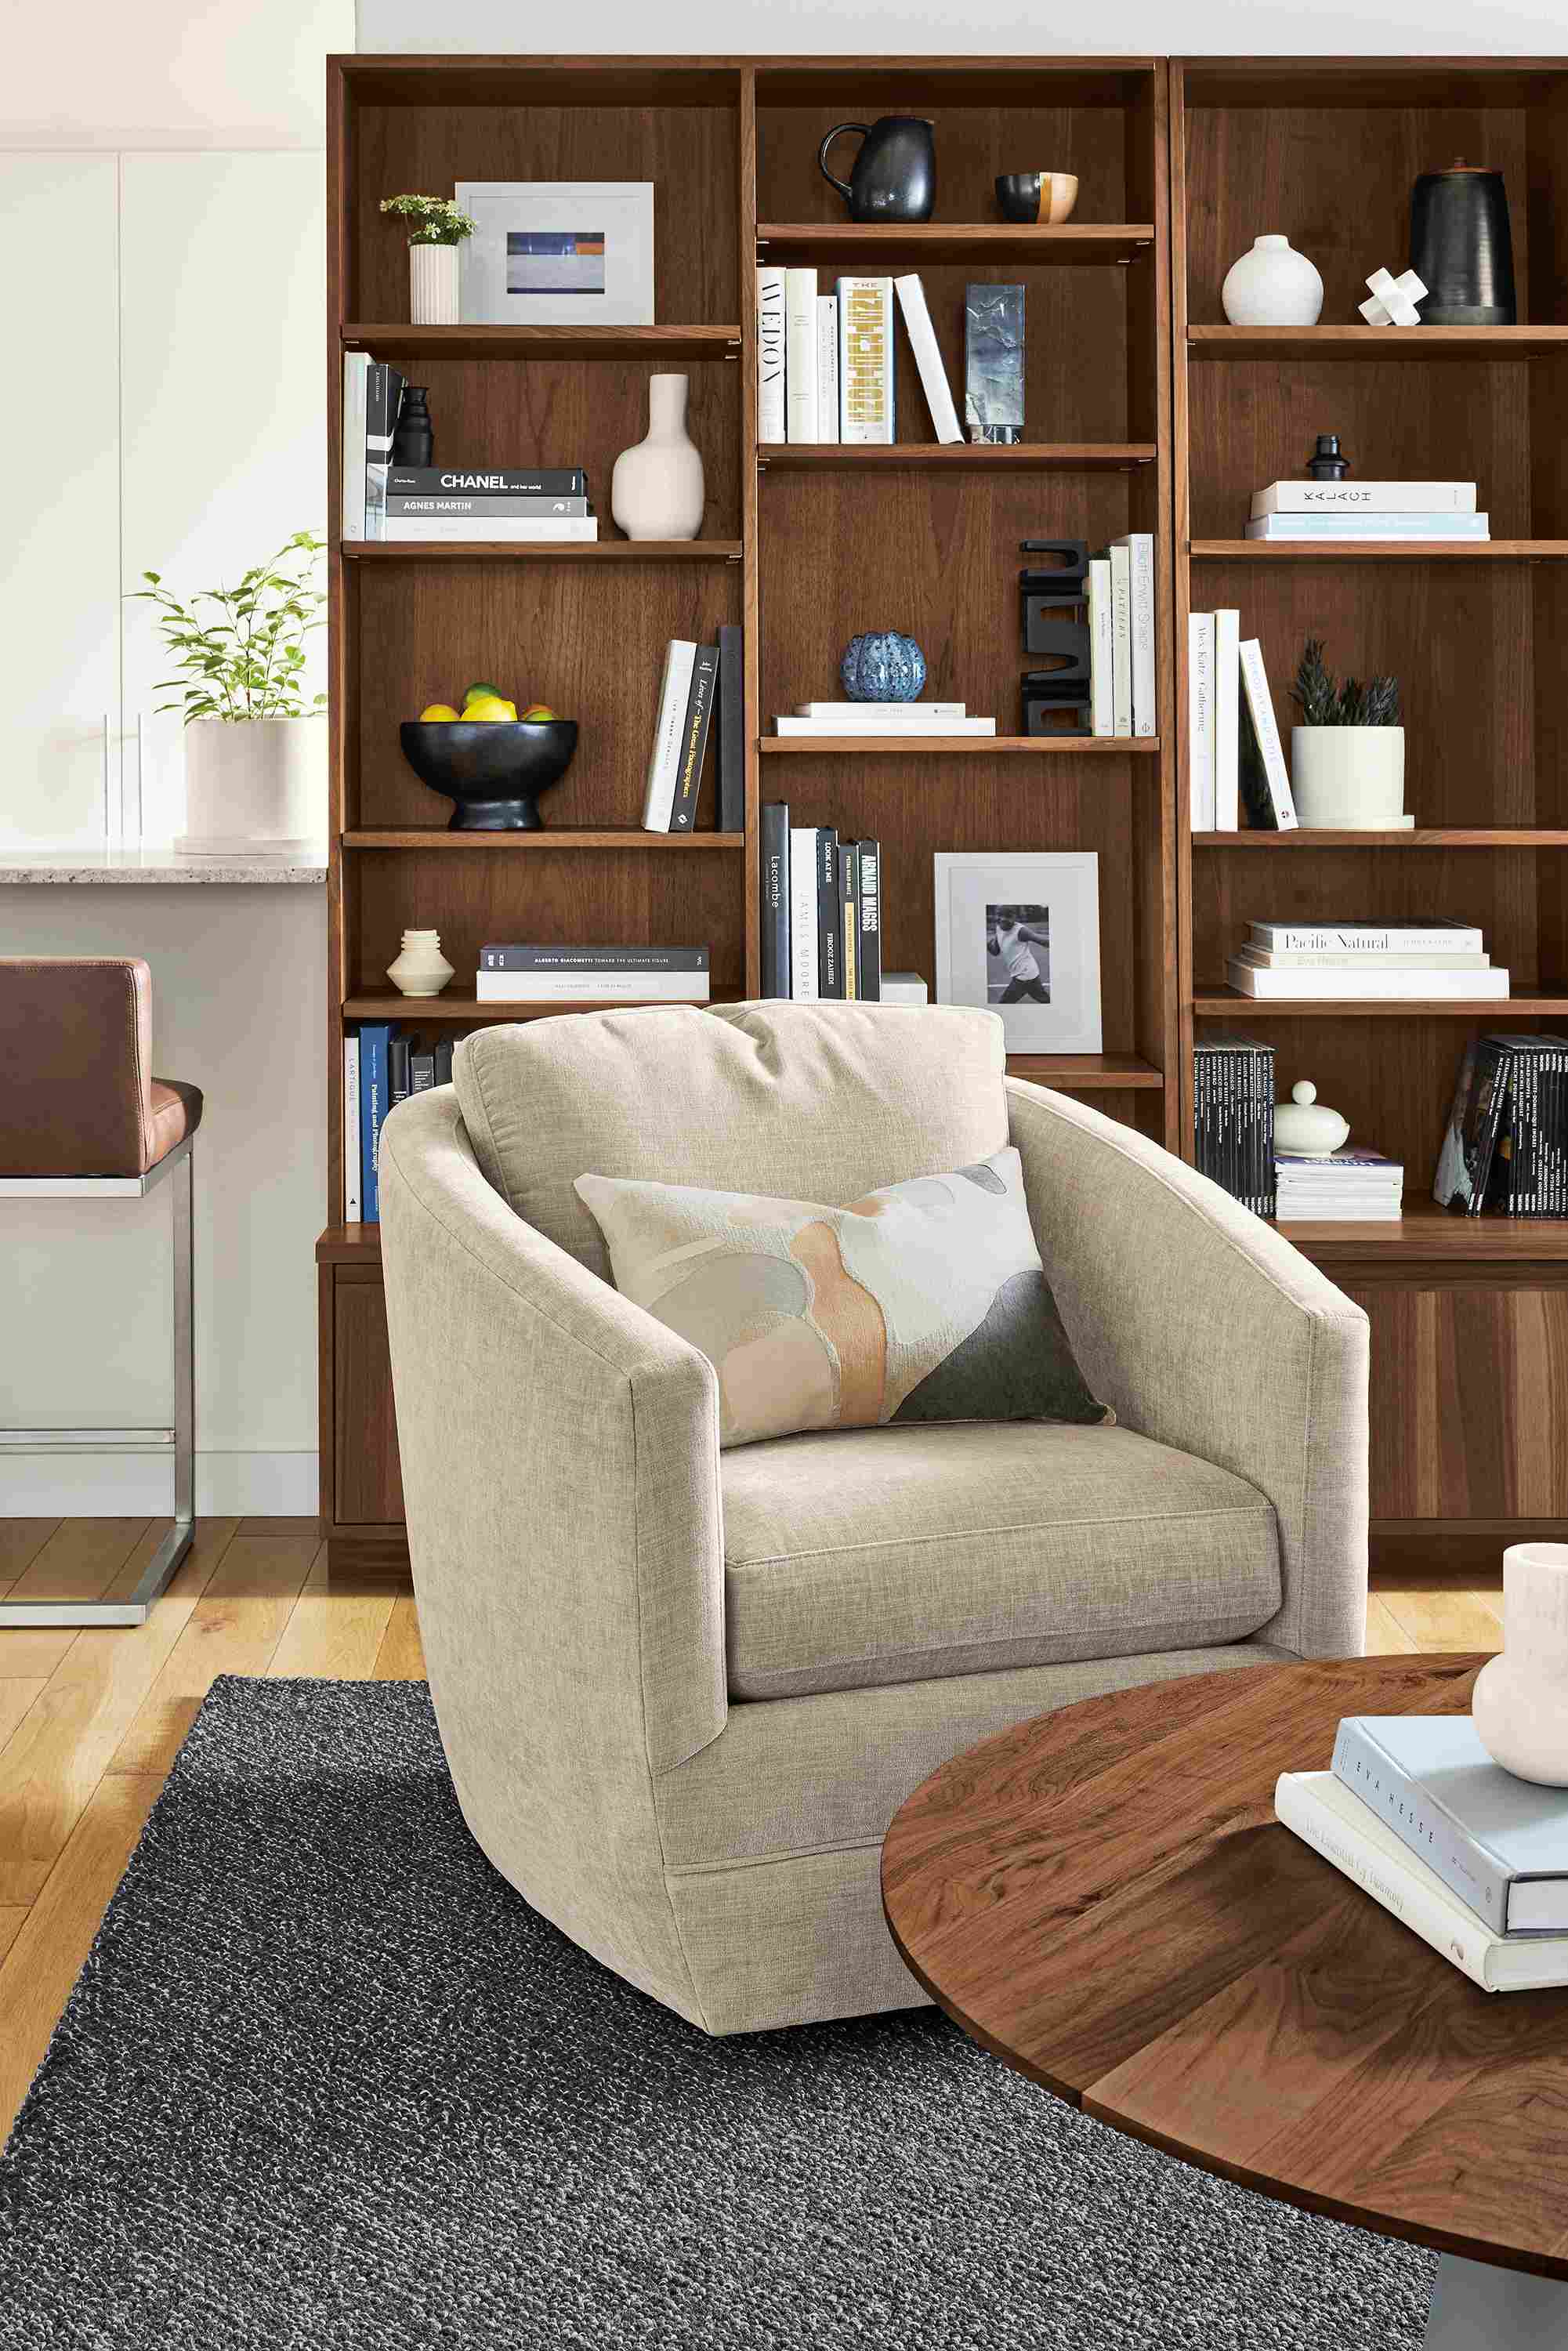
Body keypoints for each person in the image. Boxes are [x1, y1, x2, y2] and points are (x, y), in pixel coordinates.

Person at [989, 907, 1049, 1005]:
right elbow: (995, 951)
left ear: (1015, 918)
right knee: (1044, 999)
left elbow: (1044, 942)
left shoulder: (1021, 931)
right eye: (1000, 915)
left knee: (1004, 1003)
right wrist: (987, 944)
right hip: (1029, 974)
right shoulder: (999, 928)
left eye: (1008, 916)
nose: (1003, 919)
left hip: (1024, 976)